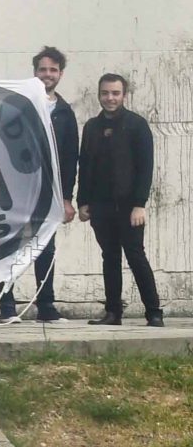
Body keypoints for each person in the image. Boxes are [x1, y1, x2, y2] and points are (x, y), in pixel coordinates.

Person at [0, 46, 79, 323]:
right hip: (16, 191)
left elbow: (70, 158)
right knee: (10, 247)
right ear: (34, 72)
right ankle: (6, 306)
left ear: (60, 74)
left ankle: (46, 306)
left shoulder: (65, 113)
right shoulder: (18, 107)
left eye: (53, 70)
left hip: (49, 194)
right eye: (43, 69)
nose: (48, 74)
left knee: (46, 248)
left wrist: (66, 198)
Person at [79, 72, 161, 327]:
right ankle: (113, 313)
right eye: (105, 93)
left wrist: (139, 204)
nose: (110, 98)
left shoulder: (137, 125)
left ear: (124, 95)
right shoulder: (91, 127)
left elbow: (145, 168)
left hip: (129, 206)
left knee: (136, 256)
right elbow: (85, 166)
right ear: (99, 95)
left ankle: (154, 312)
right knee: (110, 257)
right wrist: (83, 202)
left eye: (115, 93)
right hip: (100, 205)